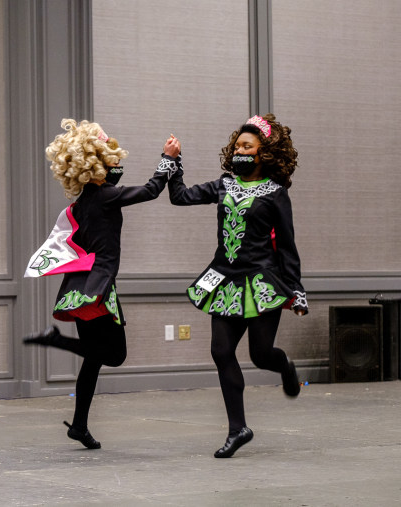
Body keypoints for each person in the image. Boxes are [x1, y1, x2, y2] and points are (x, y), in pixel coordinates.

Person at [23, 119, 181, 449]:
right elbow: (152, 190)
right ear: (95, 163)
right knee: (116, 355)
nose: (116, 164)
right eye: (111, 159)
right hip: (97, 287)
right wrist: (168, 159)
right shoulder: (107, 195)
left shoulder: (80, 204)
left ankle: (79, 425)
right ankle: (58, 342)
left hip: (80, 286)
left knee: (94, 358)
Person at [167, 114, 308, 458]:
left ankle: (284, 366)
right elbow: (180, 197)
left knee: (261, 356)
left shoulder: (275, 194)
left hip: (261, 283)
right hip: (224, 281)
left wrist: (296, 290)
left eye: (248, 146)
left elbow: (288, 246)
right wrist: (172, 162)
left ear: (265, 153)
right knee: (220, 352)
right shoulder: (223, 185)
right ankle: (237, 428)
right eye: (237, 146)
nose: (239, 150)